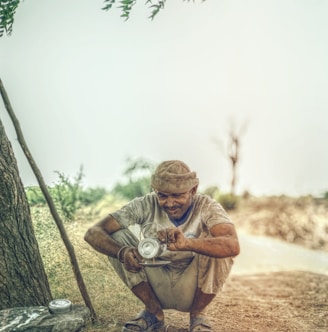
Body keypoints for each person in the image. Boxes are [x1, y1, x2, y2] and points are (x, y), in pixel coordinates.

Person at [84, 160, 240, 332]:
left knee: (218, 245)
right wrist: (123, 252)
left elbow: (232, 245)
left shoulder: (206, 206)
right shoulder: (145, 204)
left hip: (191, 287)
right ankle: (153, 313)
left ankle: (198, 316)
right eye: (163, 196)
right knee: (116, 236)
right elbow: (93, 232)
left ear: (193, 191)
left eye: (177, 195)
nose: (170, 203)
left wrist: (188, 243)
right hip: (154, 283)